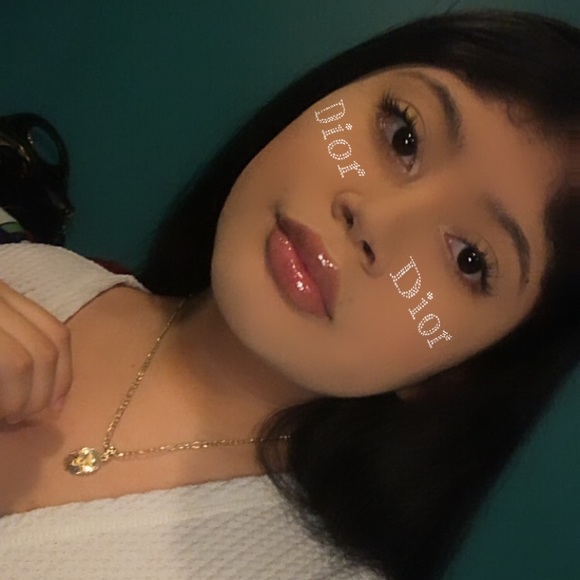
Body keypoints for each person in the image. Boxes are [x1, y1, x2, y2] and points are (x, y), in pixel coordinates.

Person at [0, 9, 579, 580]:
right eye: (403, 135)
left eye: (469, 258)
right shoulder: (28, 268)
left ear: (460, 374)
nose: (373, 217)